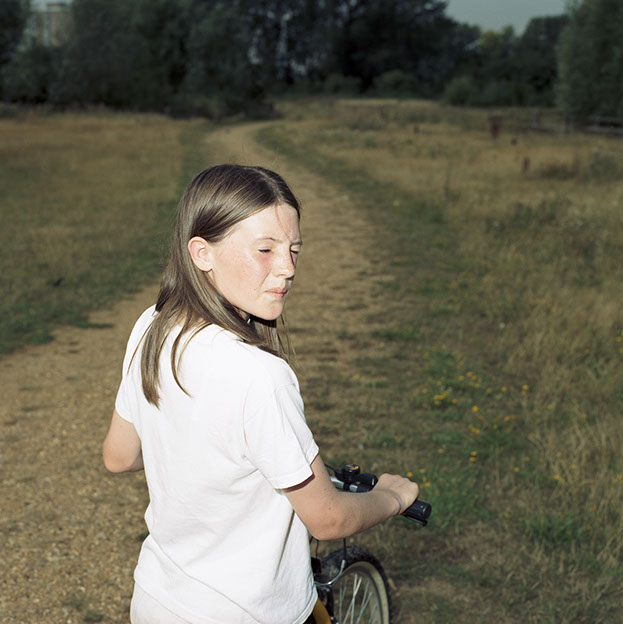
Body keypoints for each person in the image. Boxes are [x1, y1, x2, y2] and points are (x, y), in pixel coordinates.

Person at [102, 164, 419, 624]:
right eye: (265, 249)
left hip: (158, 601)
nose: (287, 268)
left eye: (294, 249)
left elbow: (119, 456)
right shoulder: (259, 375)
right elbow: (328, 519)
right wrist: (392, 497)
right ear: (202, 252)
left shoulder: (153, 323)